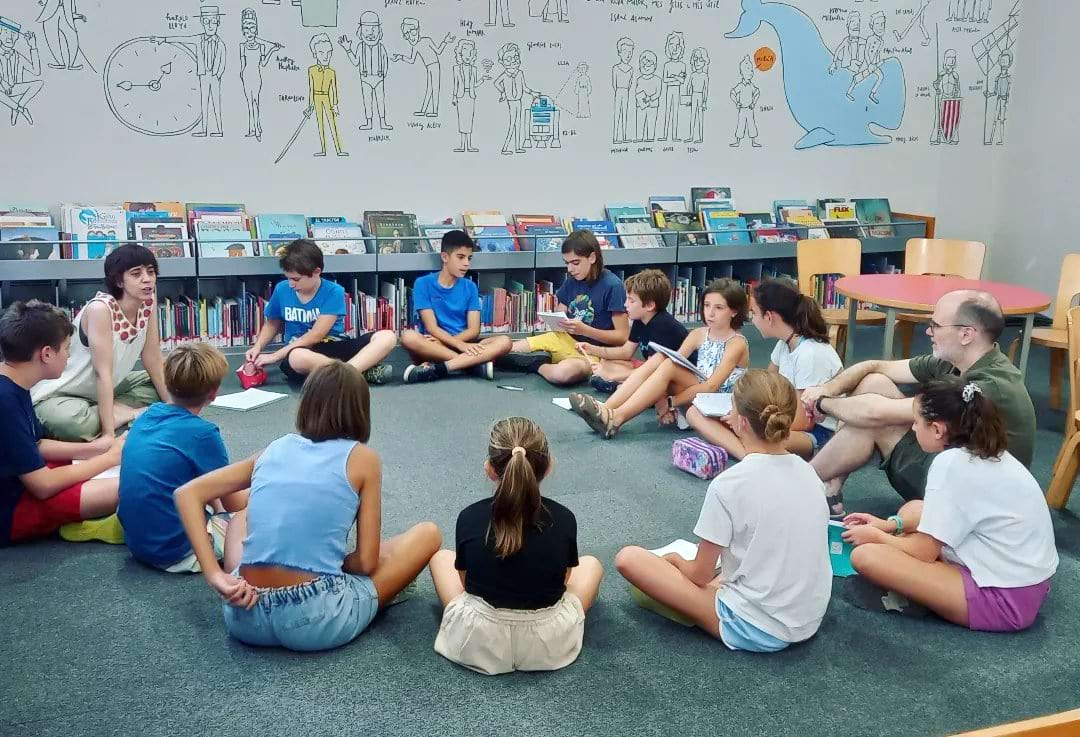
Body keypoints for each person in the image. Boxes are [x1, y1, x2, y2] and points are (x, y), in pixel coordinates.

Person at [174, 361, 442, 652]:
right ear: (360, 410)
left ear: (306, 404)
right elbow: (366, 563)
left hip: (245, 615)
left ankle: (245, 576)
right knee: (428, 534)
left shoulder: (273, 448)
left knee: (242, 516)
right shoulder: (364, 459)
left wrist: (215, 575)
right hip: (316, 618)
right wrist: (328, 563)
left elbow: (187, 494)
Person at [615, 370, 831, 651]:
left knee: (629, 558)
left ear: (741, 422)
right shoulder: (810, 473)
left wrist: (677, 561)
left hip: (758, 627)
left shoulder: (729, 484)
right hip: (809, 618)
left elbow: (699, 576)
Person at [841, 378, 1057, 632]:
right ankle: (920, 589)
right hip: (1023, 582)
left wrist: (877, 536)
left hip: (1003, 599)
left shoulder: (950, 465)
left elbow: (924, 552)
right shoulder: (986, 451)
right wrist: (889, 525)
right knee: (913, 509)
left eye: (916, 422)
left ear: (937, 429)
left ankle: (915, 598)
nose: (913, 428)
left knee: (866, 556)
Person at [802, 289, 1036, 517]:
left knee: (874, 421)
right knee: (874, 382)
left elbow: (875, 413)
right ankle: (830, 487)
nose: (928, 331)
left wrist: (822, 403)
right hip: (956, 465)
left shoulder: (989, 386)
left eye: (936, 325)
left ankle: (802, 481)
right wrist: (828, 389)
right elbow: (874, 366)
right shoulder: (960, 359)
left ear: (966, 334)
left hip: (972, 497)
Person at [429, 417, 603, 675]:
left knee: (441, 557)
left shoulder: (469, 517)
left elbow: (466, 584)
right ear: (548, 466)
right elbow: (563, 581)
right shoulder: (564, 518)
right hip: (547, 646)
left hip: (479, 642)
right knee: (591, 565)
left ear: (489, 469)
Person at [1, 301, 125, 547]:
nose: (69, 355)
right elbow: (43, 485)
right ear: (46, 354)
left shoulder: (13, 380)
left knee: (98, 468)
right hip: (10, 509)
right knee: (136, 485)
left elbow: (36, 444)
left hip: (19, 481)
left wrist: (98, 448)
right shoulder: (6, 400)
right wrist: (110, 459)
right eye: (68, 348)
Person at [117, 343, 247, 573]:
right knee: (253, 516)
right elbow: (234, 502)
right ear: (213, 392)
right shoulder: (203, 434)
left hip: (138, 545)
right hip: (177, 553)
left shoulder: (147, 415)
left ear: (167, 381)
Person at [570, 278, 748, 439]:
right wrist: (663, 397)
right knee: (661, 359)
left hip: (717, 402)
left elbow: (711, 387)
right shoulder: (699, 334)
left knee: (666, 363)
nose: (710, 313)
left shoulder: (736, 343)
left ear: (734, 311)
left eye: (719, 308)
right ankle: (606, 409)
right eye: (707, 305)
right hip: (693, 391)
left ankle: (615, 418)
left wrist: (670, 402)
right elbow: (671, 363)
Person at [687, 279, 842, 461]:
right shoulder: (784, 344)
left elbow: (803, 422)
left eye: (754, 313)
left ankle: (747, 453)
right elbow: (763, 387)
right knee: (694, 412)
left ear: (769, 316)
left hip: (815, 433)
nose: (753, 319)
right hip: (779, 418)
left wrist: (750, 422)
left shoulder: (810, 354)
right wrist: (740, 412)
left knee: (750, 430)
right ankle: (748, 452)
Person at [33, 244, 166, 442]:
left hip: (111, 387)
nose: (147, 279)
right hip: (65, 394)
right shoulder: (100, 309)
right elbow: (102, 373)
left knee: (178, 377)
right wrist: (108, 434)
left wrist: (175, 407)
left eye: (151, 271)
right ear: (119, 281)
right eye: (136, 274)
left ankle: (112, 410)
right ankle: (119, 413)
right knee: (69, 423)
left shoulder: (148, 301)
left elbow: (152, 357)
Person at [246, 238, 396, 385]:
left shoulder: (334, 291)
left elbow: (316, 335)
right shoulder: (282, 289)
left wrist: (274, 356)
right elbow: (272, 323)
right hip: (299, 350)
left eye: (296, 279)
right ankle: (358, 371)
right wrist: (257, 347)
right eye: (288, 278)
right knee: (297, 357)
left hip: (334, 346)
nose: (291, 284)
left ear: (317, 272)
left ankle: (344, 374)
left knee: (387, 337)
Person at [507, 230, 629, 385]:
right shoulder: (572, 280)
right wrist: (558, 319)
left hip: (592, 351)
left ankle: (537, 364)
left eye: (575, 263)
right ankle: (484, 361)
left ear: (592, 258)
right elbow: (562, 309)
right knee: (508, 349)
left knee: (562, 374)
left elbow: (622, 336)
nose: (570, 269)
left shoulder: (613, 286)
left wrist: (585, 330)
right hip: (563, 338)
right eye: (567, 263)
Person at [399, 231, 512, 383]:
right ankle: (471, 365)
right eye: (460, 257)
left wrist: (458, 344)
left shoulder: (470, 286)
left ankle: (442, 368)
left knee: (505, 341)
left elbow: (474, 330)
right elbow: (432, 327)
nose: (466, 263)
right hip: (435, 345)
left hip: (464, 343)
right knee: (408, 337)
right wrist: (457, 345)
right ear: (444, 257)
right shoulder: (422, 283)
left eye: (469, 258)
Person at [582, 268, 688, 394]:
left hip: (677, 380)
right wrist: (592, 349)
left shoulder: (662, 326)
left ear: (649, 305)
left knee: (643, 379)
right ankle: (619, 385)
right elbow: (626, 352)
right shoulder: (640, 319)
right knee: (606, 362)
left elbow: (651, 371)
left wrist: (611, 376)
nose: (625, 304)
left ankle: (617, 386)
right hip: (652, 369)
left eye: (631, 300)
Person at [156, 5, 227, 137]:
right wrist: (164, 40)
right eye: (206, 22)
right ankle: (204, 130)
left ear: (218, 22)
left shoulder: (221, 43)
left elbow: (222, 61)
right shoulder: (198, 39)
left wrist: (218, 74)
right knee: (204, 102)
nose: (210, 25)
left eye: (213, 21)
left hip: (214, 77)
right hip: (203, 76)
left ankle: (219, 130)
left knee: (216, 102)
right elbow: (183, 39)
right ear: (202, 22)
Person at [338, 11, 392, 131]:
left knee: (380, 101)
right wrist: (348, 50)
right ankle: (369, 123)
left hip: (379, 79)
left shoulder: (381, 47)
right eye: (367, 30)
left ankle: (383, 122)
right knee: (367, 101)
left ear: (379, 31)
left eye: (374, 29)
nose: (370, 33)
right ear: (361, 31)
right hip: (365, 79)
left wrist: (383, 75)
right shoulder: (360, 47)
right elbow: (355, 62)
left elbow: (385, 61)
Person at [392, 18, 453, 117]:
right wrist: (400, 57)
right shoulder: (415, 46)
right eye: (407, 36)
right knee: (429, 89)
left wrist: (445, 41)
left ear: (418, 30)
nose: (411, 38)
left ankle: (435, 111)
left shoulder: (427, 40)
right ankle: (423, 110)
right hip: (428, 67)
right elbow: (411, 60)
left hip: (435, 65)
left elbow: (438, 51)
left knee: (435, 88)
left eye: (413, 33)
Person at [238, 8, 281, 141]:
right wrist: (242, 75)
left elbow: (263, 63)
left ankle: (257, 128)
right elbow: (242, 65)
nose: (249, 32)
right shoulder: (242, 46)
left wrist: (272, 49)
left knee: (255, 102)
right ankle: (252, 129)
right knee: (249, 103)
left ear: (256, 30)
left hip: (256, 76)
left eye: (252, 28)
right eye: (246, 29)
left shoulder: (261, 46)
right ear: (243, 31)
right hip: (246, 76)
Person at [307, 33, 348, 157]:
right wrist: (310, 106)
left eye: (329, 53)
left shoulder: (331, 72)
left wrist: (335, 104)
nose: (326, 56)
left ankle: (338, 150)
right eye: (321, 53)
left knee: (332, 122)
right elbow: (311, 89)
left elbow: (334, 90)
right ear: (315, 54)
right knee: (320, 123)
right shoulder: (311, 70)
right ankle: (323, 150)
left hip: (326, 97)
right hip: (316, 98)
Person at [0, 17, 43, 127]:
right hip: (2, 90)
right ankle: (20, 109)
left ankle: (17, 107)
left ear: (17, 37)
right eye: (5, 31)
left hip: (14, 89)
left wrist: (33, 47)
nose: (9, 37)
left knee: (39, 83)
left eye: (13, 33)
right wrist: (3, 83)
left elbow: (36, 71)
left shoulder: (17, 56)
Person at [451, 39, 488, 152]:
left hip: (470, 96)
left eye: (470, 54)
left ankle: (469, 145)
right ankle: (462, 145)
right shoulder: (456, 68)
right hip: (460, 96)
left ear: (473, 55)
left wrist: (482, 79)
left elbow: (474, 84)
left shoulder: (474, 69)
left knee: (469, 120)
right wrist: (454, 97)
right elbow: (456, 84)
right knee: (462, 120)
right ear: (460, 54)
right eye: (465, 54)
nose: (467, 57)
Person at [634, 50, 661, 142]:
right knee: (640, 123)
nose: (646, 67)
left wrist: (649, 98)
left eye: (649, 65)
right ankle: (639, 138)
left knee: (651, 123)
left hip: (653, 106)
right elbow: (637, 91)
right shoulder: (639, 79)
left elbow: (658, 93)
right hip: (641, 106)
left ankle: (650, 139)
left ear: (655, 66)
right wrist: (640, 98)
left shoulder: (657, 79)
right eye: (643, 65)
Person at [612, 37, 634, 144]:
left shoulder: (631, 69)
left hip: (626, 92)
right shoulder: (615, 68)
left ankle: (624, 137)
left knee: (625, 113)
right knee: (617, 114)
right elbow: (614, 84)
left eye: (630, 52)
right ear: (619, 53)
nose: (628, 55)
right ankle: (615, 137)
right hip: (619, 92)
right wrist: (619, 91)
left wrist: (625, 90)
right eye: (625, 51)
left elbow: (630, 84)